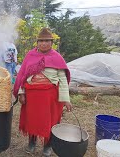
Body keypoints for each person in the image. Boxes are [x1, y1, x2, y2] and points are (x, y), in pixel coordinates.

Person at [13, 27, 72, 156]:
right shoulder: (30, 55)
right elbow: (23, 75)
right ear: (37, 42)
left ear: (51, 42)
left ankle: (47, 145)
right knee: (32, 119)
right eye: (41, 41)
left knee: (50, 121)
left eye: (47, 41)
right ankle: (32, 142)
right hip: (32, 96)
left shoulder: (56, 57)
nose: (44, 43)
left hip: (50, 97)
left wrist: (66, 99)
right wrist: (21, 93)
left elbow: (62, 79)